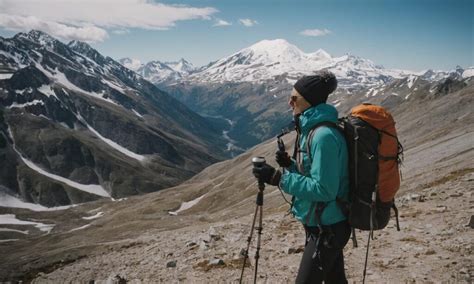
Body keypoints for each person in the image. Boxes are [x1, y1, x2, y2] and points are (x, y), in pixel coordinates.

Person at [252, 71, 351, 283]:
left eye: (294, 98)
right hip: (326, 223)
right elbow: (317, 175)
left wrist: (279, 178)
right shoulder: (313, 130)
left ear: (310, 101)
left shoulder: (323, 136)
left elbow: (324, 190)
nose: (290, 102)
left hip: (328, 228)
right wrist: (291, 165)